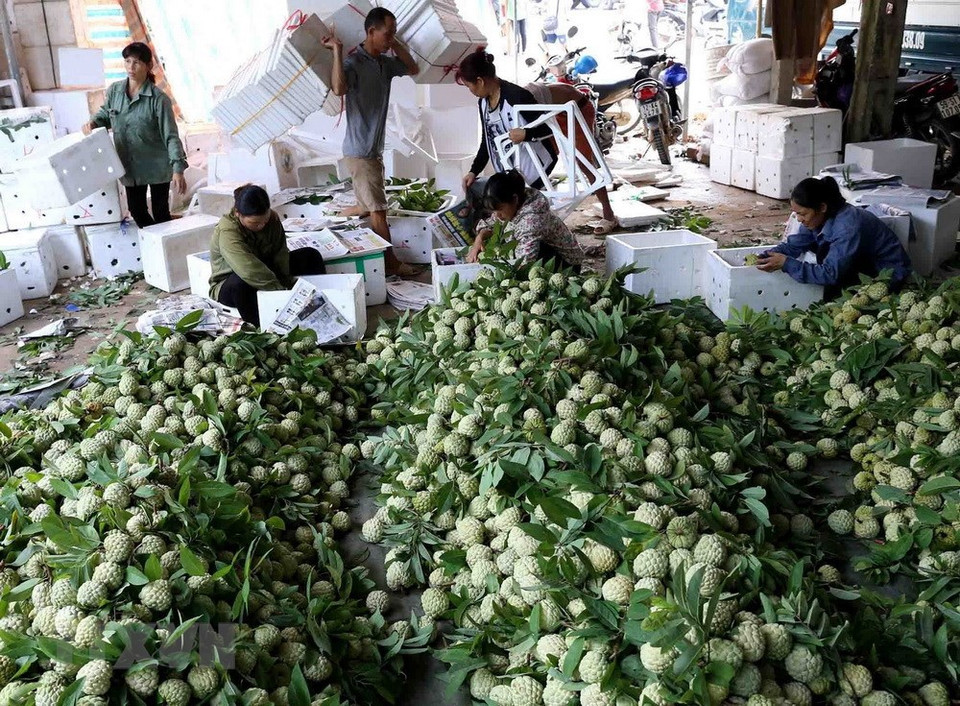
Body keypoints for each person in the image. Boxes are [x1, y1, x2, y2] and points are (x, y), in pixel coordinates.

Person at [323, 8, 419, 275]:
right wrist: (337, 51)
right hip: (360, 151)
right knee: (378, 211)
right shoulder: (354, 63)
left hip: (371, 150)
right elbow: (339, 89)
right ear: (370, 32)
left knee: (366, 208)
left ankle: (331, 221)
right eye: (387, 34)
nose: (390, 39)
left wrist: (394, 42)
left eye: (393, 34)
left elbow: (413, 68)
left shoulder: (384, 64)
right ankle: (391, 264)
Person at [84, 42, 187, 228]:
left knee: (161, 214)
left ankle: (165, 242)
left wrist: (178, 169)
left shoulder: (159, 99)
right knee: (137, 210)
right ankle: (153, 239)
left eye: (137, 62)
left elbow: (171, 136)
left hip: (157, 166)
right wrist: (93, 123)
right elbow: (106, 114)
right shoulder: (115, 91)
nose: (131, 67)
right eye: (127, 61)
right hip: (130, 165)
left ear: (148, 66)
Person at [757, 176, 912, 299]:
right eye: (796, 213)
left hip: (884, 274)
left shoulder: (848, 227)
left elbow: (830, 273)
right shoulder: (815, 219)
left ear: (822, 207)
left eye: (802, 214)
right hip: (857, 263)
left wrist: (786, 263)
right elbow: (794, 245)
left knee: (832, 294)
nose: (798, 219)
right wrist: (767, 255)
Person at [458, 49, 558, 223]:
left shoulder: (516, 96)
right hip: (509, 170)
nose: (470, 91)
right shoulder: (483, 103)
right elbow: (487, 141)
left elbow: (549, 128)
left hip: (535, 167)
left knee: (514, 210)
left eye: (469, 86)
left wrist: (526, 134)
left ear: (480, 81)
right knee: (477, 191)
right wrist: (473, 171)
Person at [208, 185, 325, 327]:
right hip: (232, 282)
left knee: (310, 256)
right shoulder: (228, 231)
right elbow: (248, 270)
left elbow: (281, 254)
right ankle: (263, 330)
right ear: (238, 213)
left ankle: (322, 306)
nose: (262, 226)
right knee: (241, 285)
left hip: (266, 270)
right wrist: (280, 292)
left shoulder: (272, 219)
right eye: (255, 223)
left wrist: (286, 281)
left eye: (265, 220)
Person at [524, 81, 618, 234]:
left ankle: (609, 214)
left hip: (577, 110)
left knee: (584, 164)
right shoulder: (510, 100)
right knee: (543, 158)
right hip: (556, 113)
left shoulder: (520, 97)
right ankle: (540, 210)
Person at [467, 169, 584, 269]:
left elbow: (523, 264)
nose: (497, 216)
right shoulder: (518, 201)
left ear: (515, 199)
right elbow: (491, 223)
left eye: (500, 210)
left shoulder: (531, 221)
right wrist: (479, 238)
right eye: (494, 211)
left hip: (566, 263)